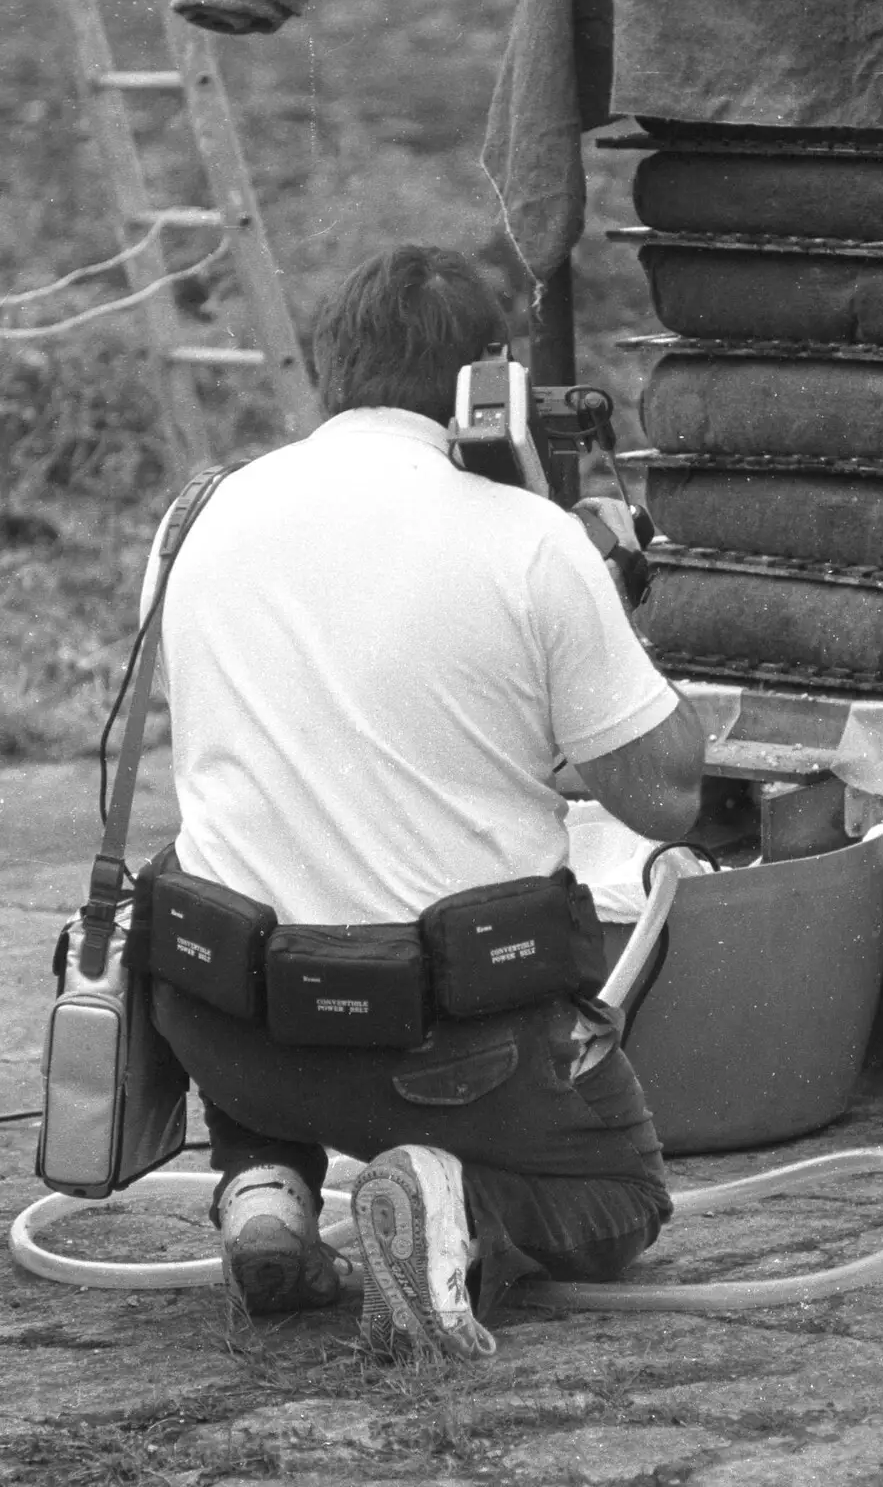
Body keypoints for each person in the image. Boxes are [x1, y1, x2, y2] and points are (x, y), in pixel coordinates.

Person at [141, 243, 707, 1360]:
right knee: (621, 1196)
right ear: (483, 383)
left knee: (253, 863)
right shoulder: (531, 543)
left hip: (228, 1026)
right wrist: (602, 594)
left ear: (327, 372)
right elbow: (668, 798)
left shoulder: (195, 518)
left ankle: (264, 1189)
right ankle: (455, 1218)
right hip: (446, 1047)